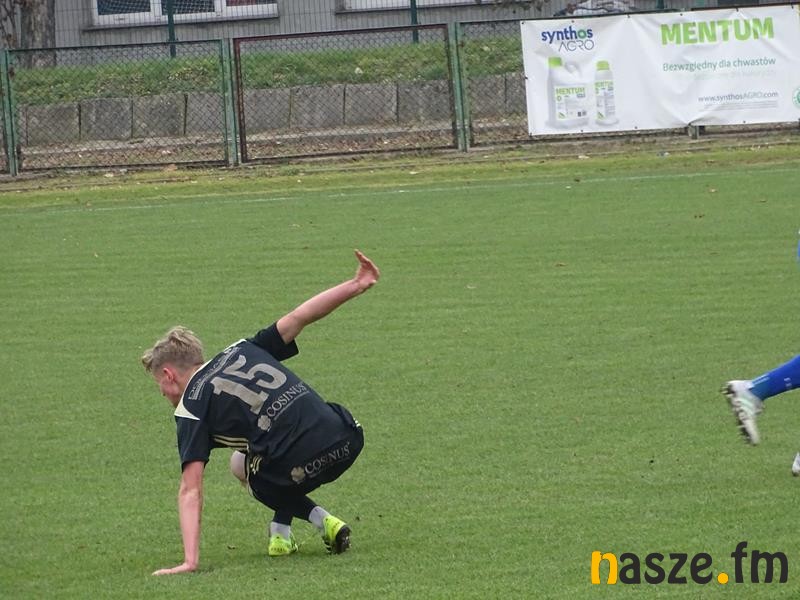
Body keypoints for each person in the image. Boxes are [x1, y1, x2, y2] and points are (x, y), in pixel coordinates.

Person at [141, 250, 380, 576]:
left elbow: (190, 489)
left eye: (160, 383)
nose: (163, 393)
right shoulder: (242, 349)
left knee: (251, 473)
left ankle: (320, 520)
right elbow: (300, 317)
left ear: (169, 374)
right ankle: (281, 531)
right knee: (247, 455)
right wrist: (356, 284)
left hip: (304, 465)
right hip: (348, 437)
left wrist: (189, 561)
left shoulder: (191, 407)